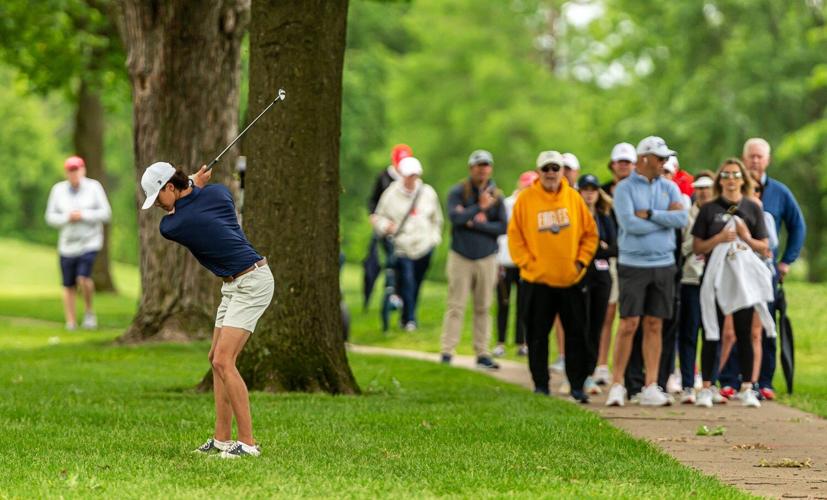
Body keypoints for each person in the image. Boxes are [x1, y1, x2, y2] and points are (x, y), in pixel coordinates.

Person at [140, 162, 274, 458]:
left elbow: (180, 212)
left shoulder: (173, 226)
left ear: (170, 188)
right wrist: (193, 183)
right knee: (215, 359)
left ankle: (248, 444)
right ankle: (221, 439)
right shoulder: (219, 194)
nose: (159, 207)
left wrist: (191, 180)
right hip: (233, 284)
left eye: (159, 198)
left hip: (252, 282)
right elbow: (197, 195)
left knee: (225, 361)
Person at [719, 138, 805, 401]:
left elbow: (797, 227)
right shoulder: (731, 194)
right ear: (744, 159)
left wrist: (786, 261)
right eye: (751, 157)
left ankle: (762, 380)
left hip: (763, 269)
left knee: (763, 326)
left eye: (760, 157)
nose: (755, 161)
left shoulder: (779, 192)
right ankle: (730, 379)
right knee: (734, 326)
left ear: (767, 160)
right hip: (734, 269)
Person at [508, 151, 598, 401]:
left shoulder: (574, 198)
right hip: (537, 281)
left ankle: (577, 385)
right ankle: (541, 385)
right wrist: (529, 264)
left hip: (570, 280)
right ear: (538, 172)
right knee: (536, 335)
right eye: (545, 168)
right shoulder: (526, 200)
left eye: (555, 168)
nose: (550, 173)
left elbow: (590, 235)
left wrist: (580, 263)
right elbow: (515, 237)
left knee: (576, 335)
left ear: (562, 171)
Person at [606, 136, 688, 407]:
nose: (664, 162)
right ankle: (617, 384)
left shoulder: (670, 187)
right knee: (629, 323)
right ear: (644, 159)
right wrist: (664, 218)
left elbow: (680, 219)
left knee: (655, 324)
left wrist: (651, 214)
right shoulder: (625, 189)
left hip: (663, 263)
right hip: (633, 264)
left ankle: (651, 385)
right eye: (660, 158)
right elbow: (630, 224)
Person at [692, 159, 770, 408]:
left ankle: (747, 386)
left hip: (742, 278)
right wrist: (719, 239)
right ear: (720, 180)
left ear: (743, 179)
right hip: (715, 277)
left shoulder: (752, 207)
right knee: (711, 331)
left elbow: (765, 247)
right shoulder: (709, 209)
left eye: (735, 174)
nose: (731, 179)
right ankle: (707, 386)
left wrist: (746, 238)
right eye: (725, 175)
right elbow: (697, 247)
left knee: (743, 331)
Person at [440, 150, 507, 370]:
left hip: (486, 257)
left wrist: (475, 223)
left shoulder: (497, 195)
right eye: (479, 165)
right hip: (461, 255)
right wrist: (479, 208)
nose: (482, 169)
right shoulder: (458, 192)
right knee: (455, 305)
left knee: (484, 306)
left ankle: (483, 352)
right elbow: (456, 218)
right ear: (471, 168)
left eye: (486, 165)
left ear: (491, 168)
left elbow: (502, 227)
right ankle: (447, 351)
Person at [372, 157, 443, 332]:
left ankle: (408, 314)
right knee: (407, 280)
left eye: (415, 175)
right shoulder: (390, 193)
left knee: (417, 281)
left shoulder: (428, 193)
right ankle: (410, 319)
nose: (412, 179)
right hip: (402, 245)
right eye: (409, 175)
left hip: (424, 245)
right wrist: (385, 227)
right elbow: (378, 216)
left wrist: (434, 239)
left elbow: (437, 219)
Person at [45, 156, 112, 331]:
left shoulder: (93, 187)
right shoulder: (58, 190)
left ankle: (89, 313)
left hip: (89, 241)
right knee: (68, 285)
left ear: (83, 170)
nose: (73, 174)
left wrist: (83, 215)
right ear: (66, 172)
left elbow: (106, 213)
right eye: (70, 170)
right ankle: (71, 321)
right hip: (67, 244)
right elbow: (50, 217)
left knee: (83, 278)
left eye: (76, 170)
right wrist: (67, 217)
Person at [593, 142, 636, 385]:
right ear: (613, 165)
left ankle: (627, 369)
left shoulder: (639, 190)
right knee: (607, 313)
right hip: (610, 257)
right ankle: (601, 365)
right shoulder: (601, 192)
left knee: (630, 317)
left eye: (628, 162)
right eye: (620, 162)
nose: (623, 166)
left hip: (633, 258)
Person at [676, 171, 715, 404]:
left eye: (707, 188)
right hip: (690, 280)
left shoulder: (721, 215)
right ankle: (688, 385)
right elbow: (683, 248)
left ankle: (710, 383)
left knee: (712, 333)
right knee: (689, 334)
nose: (702, 192)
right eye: (698, 188)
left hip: (714, 282)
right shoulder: (686, 216)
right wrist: (701, 240)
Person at [577, 174, 617, 395]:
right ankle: (576, 373)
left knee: (596, 324)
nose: (590, 193)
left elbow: (614, 247)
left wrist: (597, 247)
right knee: (579, 324)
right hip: (581, 274)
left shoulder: (604, 217)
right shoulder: (574, 216)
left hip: (602, 275)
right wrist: (596, 246)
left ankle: (589, 374)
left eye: (593, 189)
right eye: (586, 189)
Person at [493, 170, 538, 357]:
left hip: (525, 262)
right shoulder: (507, 204)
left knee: (524, 304)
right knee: (503, 302)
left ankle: (522, 342)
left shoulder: (536, 206)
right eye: (527, 185)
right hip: (505, 259)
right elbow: (499, 233)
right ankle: (500, 341)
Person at [363, 144, 413, 309]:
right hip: (383, 228)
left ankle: (396, 298)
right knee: (373, 263)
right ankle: (368, 297)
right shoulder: (384, 177)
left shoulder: (412, 180)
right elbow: (373, 201)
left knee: (400, 265)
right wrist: (375, 217)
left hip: (402, 232)